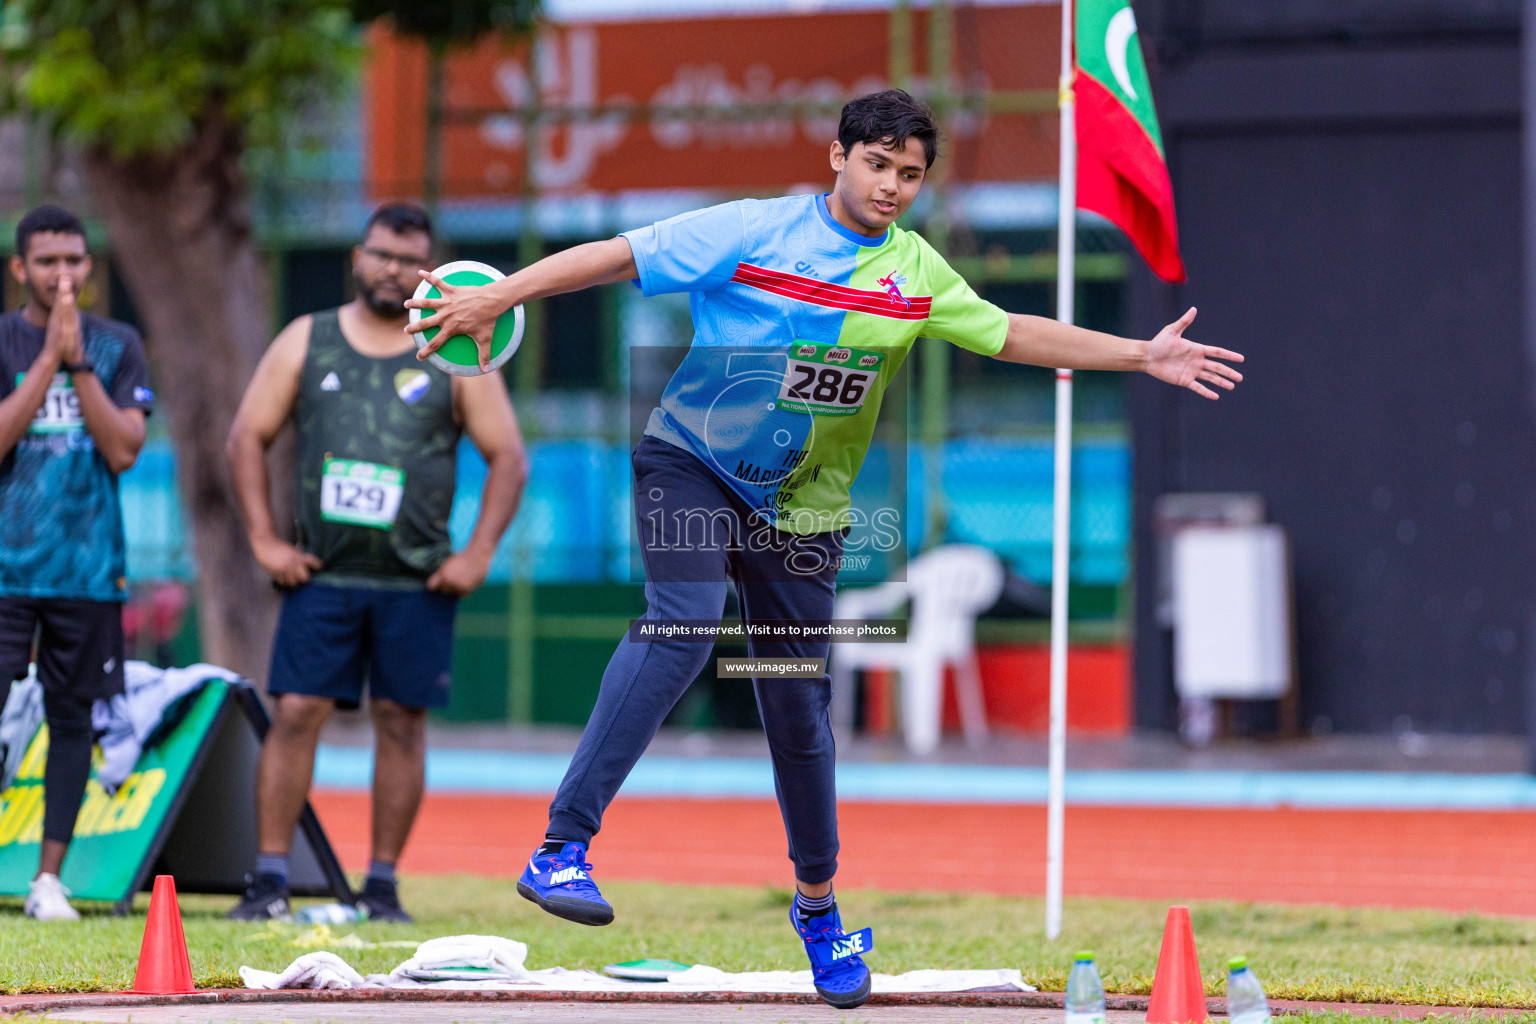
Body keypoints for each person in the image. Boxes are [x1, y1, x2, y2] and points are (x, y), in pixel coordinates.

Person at [407, 90, 1244, 1008]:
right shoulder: (752, 231)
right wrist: (497, 294)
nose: (892, 186)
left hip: (806, 512)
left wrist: (1139, 354)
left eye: (911, 174)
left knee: (798, 711)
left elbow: (1012, 333)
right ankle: (563, 848)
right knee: (683, 625)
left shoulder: (916, 271)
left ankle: (818, 908)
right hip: (690, 462)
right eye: (877, 164)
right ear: (837, 157)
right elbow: (614, 256)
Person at [225, 203, 527, 923]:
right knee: (295, 711)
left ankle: (383, 886)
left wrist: (478, 554)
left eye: (408, 259)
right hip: (321, 576)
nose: (392, 269)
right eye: (381, 254)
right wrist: (265, 542)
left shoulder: (458, 350)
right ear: (357, 258)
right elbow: (246, 436)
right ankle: (269, 881)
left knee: (402, 723)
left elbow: (508, 458)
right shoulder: (308, 338)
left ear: (430, 271)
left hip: (414, 581)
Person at [0, 205, 153, 921]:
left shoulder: (119, 345)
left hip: (88, 571)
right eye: (47, 261)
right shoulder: (2, 339)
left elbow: (124, 448)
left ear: (90, 266)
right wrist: (48, 361)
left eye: (74, 261)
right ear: (20, 268)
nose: (63, 275)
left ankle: (47, 882)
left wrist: (80, 362)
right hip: (6, 566)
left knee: (71, 718)